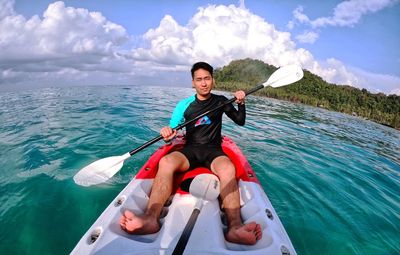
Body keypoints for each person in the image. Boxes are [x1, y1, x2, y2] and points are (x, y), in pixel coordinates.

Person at [120, 62, 262, 245]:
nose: (204, 83)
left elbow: (240, 121)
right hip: (190, 149)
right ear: (193, 82)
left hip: (213, 150)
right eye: (199, 79)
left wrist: (241, 104)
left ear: (213, 80)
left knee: (228, 168)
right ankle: (150, 218)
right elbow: (171, 134)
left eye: (207, 79)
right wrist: (166, 134)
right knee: (166, 162)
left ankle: (235, 227)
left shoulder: (221, 101)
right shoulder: (184, 105)